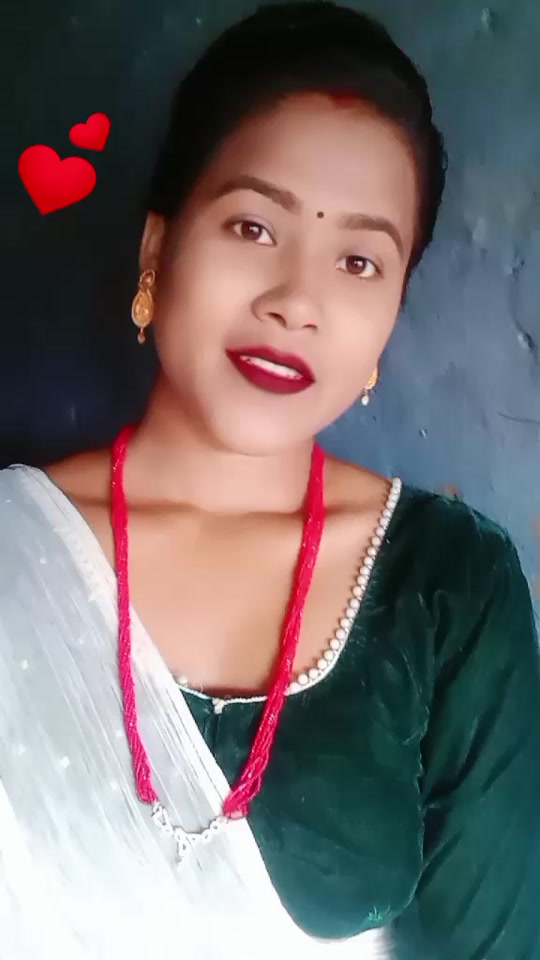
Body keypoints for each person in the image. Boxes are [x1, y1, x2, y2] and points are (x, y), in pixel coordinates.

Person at [1, 3, 539, 958]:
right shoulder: (15, 548)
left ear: (390, 317)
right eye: (253, 226)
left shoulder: (451, 586)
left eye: (360, 260)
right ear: (158, 250)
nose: (297, 300)